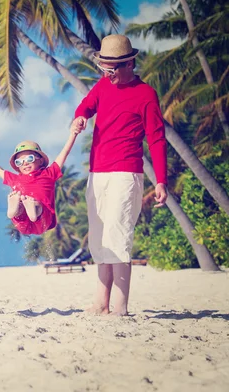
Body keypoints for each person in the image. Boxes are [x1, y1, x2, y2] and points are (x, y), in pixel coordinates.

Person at [72, 34, 168, 316]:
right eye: (103, 68)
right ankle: (101, 302)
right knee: (100, 236)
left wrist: (160, 179)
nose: (107, 74)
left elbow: (157, 138)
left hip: (126, 173)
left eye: (111, 69)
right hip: (97, 173)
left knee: (118, 234)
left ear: (129, 63)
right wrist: (81, 116)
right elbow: (85, 106)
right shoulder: (103, 85)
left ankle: (120, 306)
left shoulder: (146, 94)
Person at [0, 123, 82, 236]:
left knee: (35, 204)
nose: (25, 163)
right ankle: (16, 209)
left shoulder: (49, 173)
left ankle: (30, 208)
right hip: (27, 224)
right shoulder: (16, 178)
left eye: (29, 158)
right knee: (22, 207)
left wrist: (73, 134)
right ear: (17, 166)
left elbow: (64, 153)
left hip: (43, 220)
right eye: (19, 162)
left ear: (40, 160)